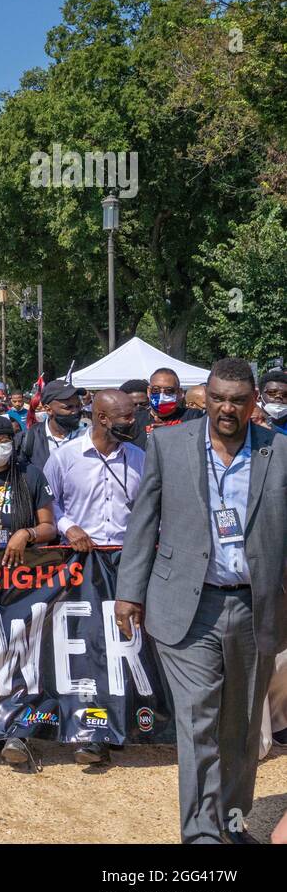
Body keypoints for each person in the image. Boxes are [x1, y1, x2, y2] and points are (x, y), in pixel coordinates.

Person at [116, 358, 287, 844]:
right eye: (217, 398)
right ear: (204, 397)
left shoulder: (281, 451)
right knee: (199, 722)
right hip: (187, 607)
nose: (225, 408)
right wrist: (129, 591)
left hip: (255, 609)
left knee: (240, 731)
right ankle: (202, 836)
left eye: (237, 400)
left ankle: (232, 824)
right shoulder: (168, 444)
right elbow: (143, 520)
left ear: (254, 403)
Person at [0, 414, 59, 770]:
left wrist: (27, 535)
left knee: (21, 653)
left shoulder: (30, 474)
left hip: (23, 582)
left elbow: (49, 525)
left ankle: (18, 730)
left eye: (3, 439)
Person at [14, 379, 87, 471]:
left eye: (78, 406)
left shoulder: (87, 435)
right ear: (48, 410)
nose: (75, 411)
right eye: (68, 407)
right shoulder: (28, 439)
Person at [258, 368, 287, 435]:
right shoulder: (248, 425)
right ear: (259, 396)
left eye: (285, 395)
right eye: (272, 393)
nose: (278, 397)